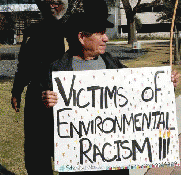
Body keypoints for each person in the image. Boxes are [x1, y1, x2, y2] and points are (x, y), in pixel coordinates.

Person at [41, 11, 180, 174]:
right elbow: (46, 120)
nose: (106, 38)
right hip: (79, 159)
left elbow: (139, 91)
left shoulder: (111, 63)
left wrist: (164, 84)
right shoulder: (57, 70)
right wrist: (46, 101)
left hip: (114, 158)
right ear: (81, 37)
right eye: (100, 33)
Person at [11, 0, 109, 174]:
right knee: (37, 153)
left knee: (72, 150)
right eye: (48, 3)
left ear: (65, 5)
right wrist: (17, 90)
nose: (53, 7)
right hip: (39, 97)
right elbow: (24, 65)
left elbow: (99, 13)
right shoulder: (32, 31)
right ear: (41, 6)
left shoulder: (73, 25)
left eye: (57, 3)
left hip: (72, 99)